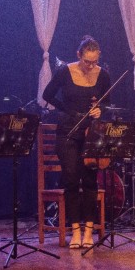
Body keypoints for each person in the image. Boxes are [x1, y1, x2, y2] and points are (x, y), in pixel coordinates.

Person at [43, 35, 111, 249]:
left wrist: (101, 110)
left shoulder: (103, 75)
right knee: (71, 179)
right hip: (68, 132)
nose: (90, 66)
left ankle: (89, 230)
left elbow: (107, 103)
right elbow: (47, 94)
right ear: (78, 55)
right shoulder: (65, 71)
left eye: (94, 61)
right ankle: (75, 230)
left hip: (92, 133)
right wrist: (67, 111)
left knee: (90, 179)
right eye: (86, 61)